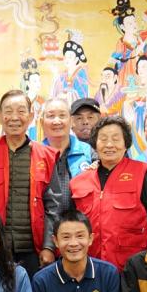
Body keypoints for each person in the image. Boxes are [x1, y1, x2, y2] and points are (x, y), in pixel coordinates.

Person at [0, 90, 58, 275]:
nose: (14, 117)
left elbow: (53, 206)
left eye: (21, 111)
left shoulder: (47, 156)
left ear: (31, 116)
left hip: (34, 251)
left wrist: (49, 246)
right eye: (8, 111)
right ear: (0, 117)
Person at [69, 115, 147, 269]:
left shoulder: (141, 172)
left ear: (126, 144)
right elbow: (71, 224)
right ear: (95, 144)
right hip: (89, 265)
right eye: (103, 139)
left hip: (132, 265)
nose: (109, 144)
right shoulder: (79, 182)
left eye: (116, 139)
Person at [37, 97, 95, 266]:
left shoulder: (89, 153)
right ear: (42, 122)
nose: (57, 121)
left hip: (81, 238)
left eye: (62, 115)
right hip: (44, 238)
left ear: (71, 121)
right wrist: (47, 244)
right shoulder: (35, 153)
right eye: (51, 116)